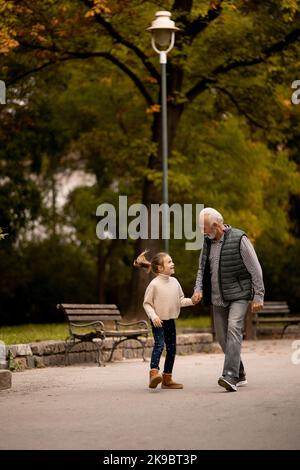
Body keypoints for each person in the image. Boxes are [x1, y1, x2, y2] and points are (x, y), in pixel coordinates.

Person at [192, 208, 265, 392]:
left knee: (234, 328)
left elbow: (255, 268)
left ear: (217, 226)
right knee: (223, 339)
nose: (203, 232)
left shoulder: (239, 239)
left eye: (205, 228)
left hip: (239, 295)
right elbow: (202, 268)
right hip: (218, 298)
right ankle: (240, 373)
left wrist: (258, 295)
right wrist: (198, 288)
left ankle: (230, 376)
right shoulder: (207, 242)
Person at [134, 250, 199, 389]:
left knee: (172, 349)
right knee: (159, 345)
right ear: (160, 268)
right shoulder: (154, 284)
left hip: (170, 320)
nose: (172, 263)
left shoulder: (175, 282)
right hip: (158, 321)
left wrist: (192, 301)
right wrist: (154, 316)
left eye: (172, 261)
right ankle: (153, 374)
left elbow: (181, 300)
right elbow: (147, 304)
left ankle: (167, 378)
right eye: (169, 262)